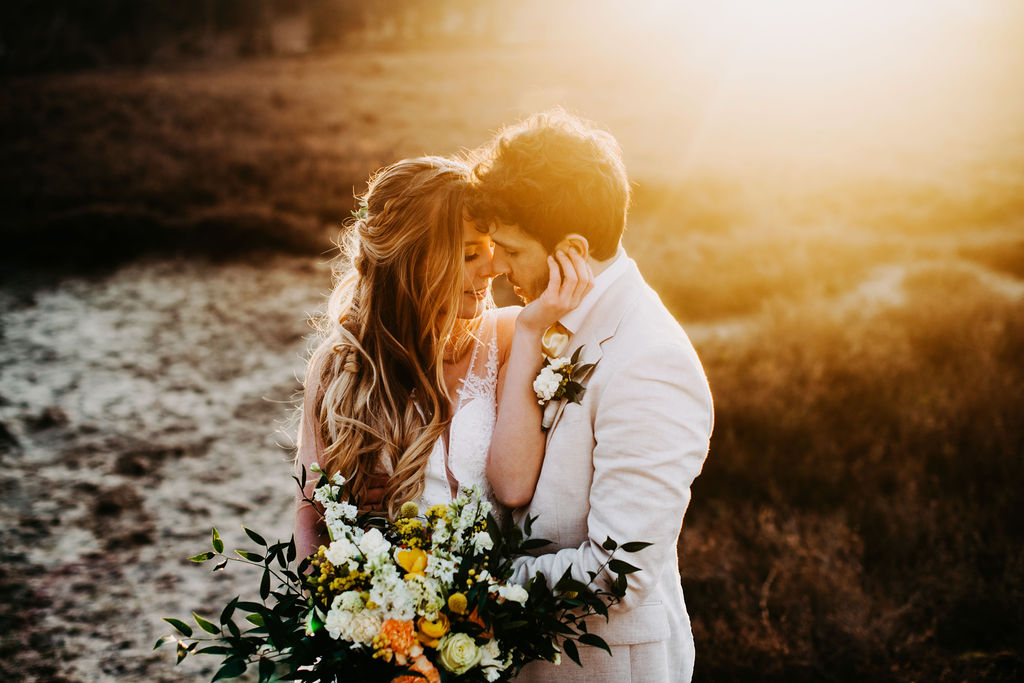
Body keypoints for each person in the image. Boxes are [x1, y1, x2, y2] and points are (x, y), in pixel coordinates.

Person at [467, 110, 714, 683]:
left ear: (572, 249)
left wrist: (472, 591)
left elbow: (617, 571)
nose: (498, 268)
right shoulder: (551, 319)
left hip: (605, 666)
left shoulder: (650, 362)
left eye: (512, 250)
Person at [293, 156, 592, 562]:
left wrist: (531, 329)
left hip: (494, 594)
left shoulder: (511, 337)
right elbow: (312, 512)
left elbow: (514, 487)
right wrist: (327, 592)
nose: (492, 268)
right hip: (384, 594)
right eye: (469, 255)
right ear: (411, 261)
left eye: (491, 248)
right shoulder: (342, 364)